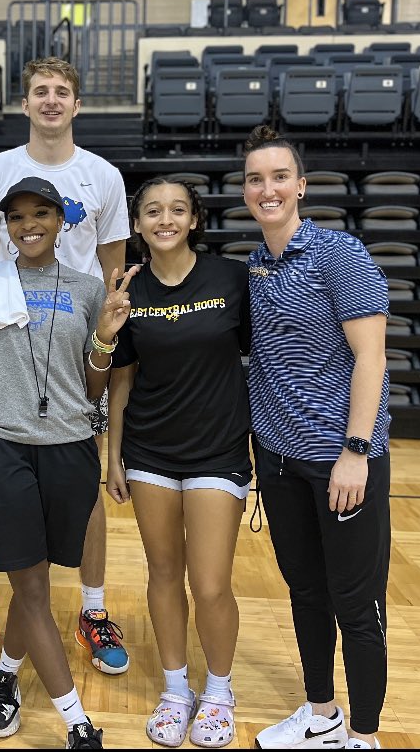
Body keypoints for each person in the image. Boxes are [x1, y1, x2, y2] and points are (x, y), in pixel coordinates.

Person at [0, 176, 137, 749]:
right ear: (6, 224)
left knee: (37, 579)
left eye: (41, 214)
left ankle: (4, 677)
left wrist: (102, 335)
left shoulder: (86, 287)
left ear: (60, 221)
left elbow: (94, 381)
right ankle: (78, 724)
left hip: (71, 448)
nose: (29, 225)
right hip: (1, 445)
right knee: (29, 587)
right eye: (18, 216)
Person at [0, 56, 132, 678]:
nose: (50, 101)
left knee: (83, 492)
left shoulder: (102, 176)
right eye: (39, 93)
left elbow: (112, 271)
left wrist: (103, 337)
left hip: (75, 343)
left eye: (61, 92)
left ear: (76, 105)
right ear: (23, 104)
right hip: (6, 351)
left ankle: (94, 608)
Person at [242, 126, 391, 751]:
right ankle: (321, 713)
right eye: (255, 179)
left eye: (279, 177)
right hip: (276, 460)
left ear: (300, 186)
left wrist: (355, 454)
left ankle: (363, 734)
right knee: (305, 592)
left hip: (341, 459)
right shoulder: (254, 266)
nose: (267, 188)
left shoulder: (341, 254)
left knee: (355, 604)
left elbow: (371, 357)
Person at [105, 176, 251, 748]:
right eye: (152, 211)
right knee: (163, 573)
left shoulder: (229, 279)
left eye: (177, 210)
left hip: (217, 448)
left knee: (211, 583)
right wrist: (112, 455)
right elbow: (121, 379)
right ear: (137, 224)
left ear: (194, 219)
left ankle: (218, 691)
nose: (165, 219)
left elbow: (259, 358)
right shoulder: (129, 289)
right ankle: (175, 688)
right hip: (149, 450)